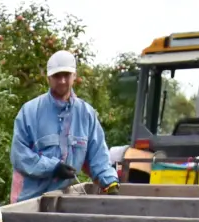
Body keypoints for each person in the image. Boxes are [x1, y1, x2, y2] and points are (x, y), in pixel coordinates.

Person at [9, 50, 120, 203]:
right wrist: (53, 167)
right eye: (56, 76)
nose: (62, 81)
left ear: (74, 76)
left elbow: (97, 155)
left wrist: (110, 183)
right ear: (48, 77)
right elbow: (19, 155)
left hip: (63, 200)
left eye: (66, 75)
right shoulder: (29, 112)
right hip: (28, 201)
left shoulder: (86, 114)